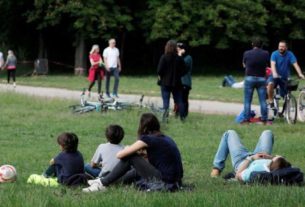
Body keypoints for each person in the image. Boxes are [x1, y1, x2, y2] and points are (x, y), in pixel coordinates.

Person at [83, 113, 184, 192]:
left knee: (131, 157)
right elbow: (156, 160)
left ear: (143, 127)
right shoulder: (165, 138)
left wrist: (129, 148)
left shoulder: (148, 139)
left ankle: (102, 182)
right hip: (175, 179)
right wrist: (143, 155)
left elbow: (120, 155)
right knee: (136, 169)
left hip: (164, 180)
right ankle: (106, 182)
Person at [210, 130, 291, 183]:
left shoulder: (257, 172)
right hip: (261, 155)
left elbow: (238, 175)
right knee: (268, 133)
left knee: (229, 133)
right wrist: (269, 157)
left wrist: (251, 158)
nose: (276, 156)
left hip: (243, 161)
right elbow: (284, 163)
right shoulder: (276, 166)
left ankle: (216, 168)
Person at [267, 40, 305, 107]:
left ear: (286, 48)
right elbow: (272, 64)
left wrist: (300, 74)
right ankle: (270, 101)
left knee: (286, 94)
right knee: (270, 84)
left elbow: (295, 64)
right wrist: (275, 73)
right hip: (274, 76)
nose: (280, 48)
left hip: (284, 77)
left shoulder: (290, 54)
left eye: (283, 46)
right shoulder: (274, 54)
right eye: (279, 46)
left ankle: (285, 111)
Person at [157, 40, 187, 121]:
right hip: (177, 83)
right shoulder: (179, 59)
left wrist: (163, 76)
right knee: (179, 101)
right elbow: (185, 70)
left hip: (165, 83)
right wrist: (178, 75)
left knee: (166, 101)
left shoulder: (164, 57)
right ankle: (182, 118)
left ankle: (165, 118)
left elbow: (159, 70)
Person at [242, 38, 269, 124]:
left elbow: (244, 64)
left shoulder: (247, 53)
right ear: (261, 45)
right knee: (262, 101)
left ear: (252, 44)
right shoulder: (266, 53)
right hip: (261, 78)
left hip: (249, 78)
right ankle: (264, 119)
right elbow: (267, 64)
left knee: (247, 100)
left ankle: (246, 119)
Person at [177, 42, 193, 118]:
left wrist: (179, 55)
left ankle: (183, 116)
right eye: (177, 49)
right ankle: (177, 114)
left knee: (183, 100)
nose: (177, 50)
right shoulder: (177, 57)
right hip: (177, 82)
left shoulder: (188, 58)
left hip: (185, 82)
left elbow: (182, 66)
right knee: (177, 100)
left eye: (179, 49)